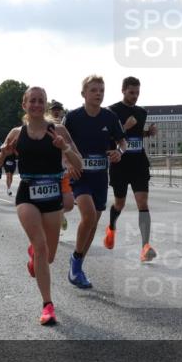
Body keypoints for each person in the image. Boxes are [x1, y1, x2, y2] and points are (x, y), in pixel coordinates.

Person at [0, 86, 83, 325]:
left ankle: (34, 258)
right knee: (41, 246)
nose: (36, 105)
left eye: (41, 101)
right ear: (25, 105)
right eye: (32, 101)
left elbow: (79, 163)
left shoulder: (58, 130)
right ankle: (47, 305)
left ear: (45, 104)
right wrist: (3, 154)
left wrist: (64, 148)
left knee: (49, 256)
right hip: (27, 194)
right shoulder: (16, 132)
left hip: (52, 194)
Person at [62, 75, 126, 288]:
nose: (98, 93)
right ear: (84, 94)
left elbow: (123, 142)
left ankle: (77, 263)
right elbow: (60, 144)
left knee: (92, 223)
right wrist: (68, 163)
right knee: (88, 216)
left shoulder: (109, 117)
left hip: (100, 176)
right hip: (80, 176)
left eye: (101, 90)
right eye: (93, 90)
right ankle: (76, 264)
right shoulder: (72, 117)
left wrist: (119, 152)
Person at [105, 76, 158, 262]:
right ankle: (111, 227)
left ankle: (145, 246)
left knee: (142, 203)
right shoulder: (111, 111)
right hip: (120, 163)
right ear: (123, 90)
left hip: (139, 163)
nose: (135, 96)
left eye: (137, 93)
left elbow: (137, 133)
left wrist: (147, 133)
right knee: (119, 203)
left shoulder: (141, 112)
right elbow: (108, 137)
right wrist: (123, 127)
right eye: (131, 92)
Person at [49, 101, 73, 231]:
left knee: (69, 204)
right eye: (54, 109)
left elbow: (71, 147)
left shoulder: (66, 126)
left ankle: (60, 214)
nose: (56, 111)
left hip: (63, 168)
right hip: (48, 170)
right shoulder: (45, 126)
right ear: (50, 111)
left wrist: (71, 163)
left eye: (59, 109)